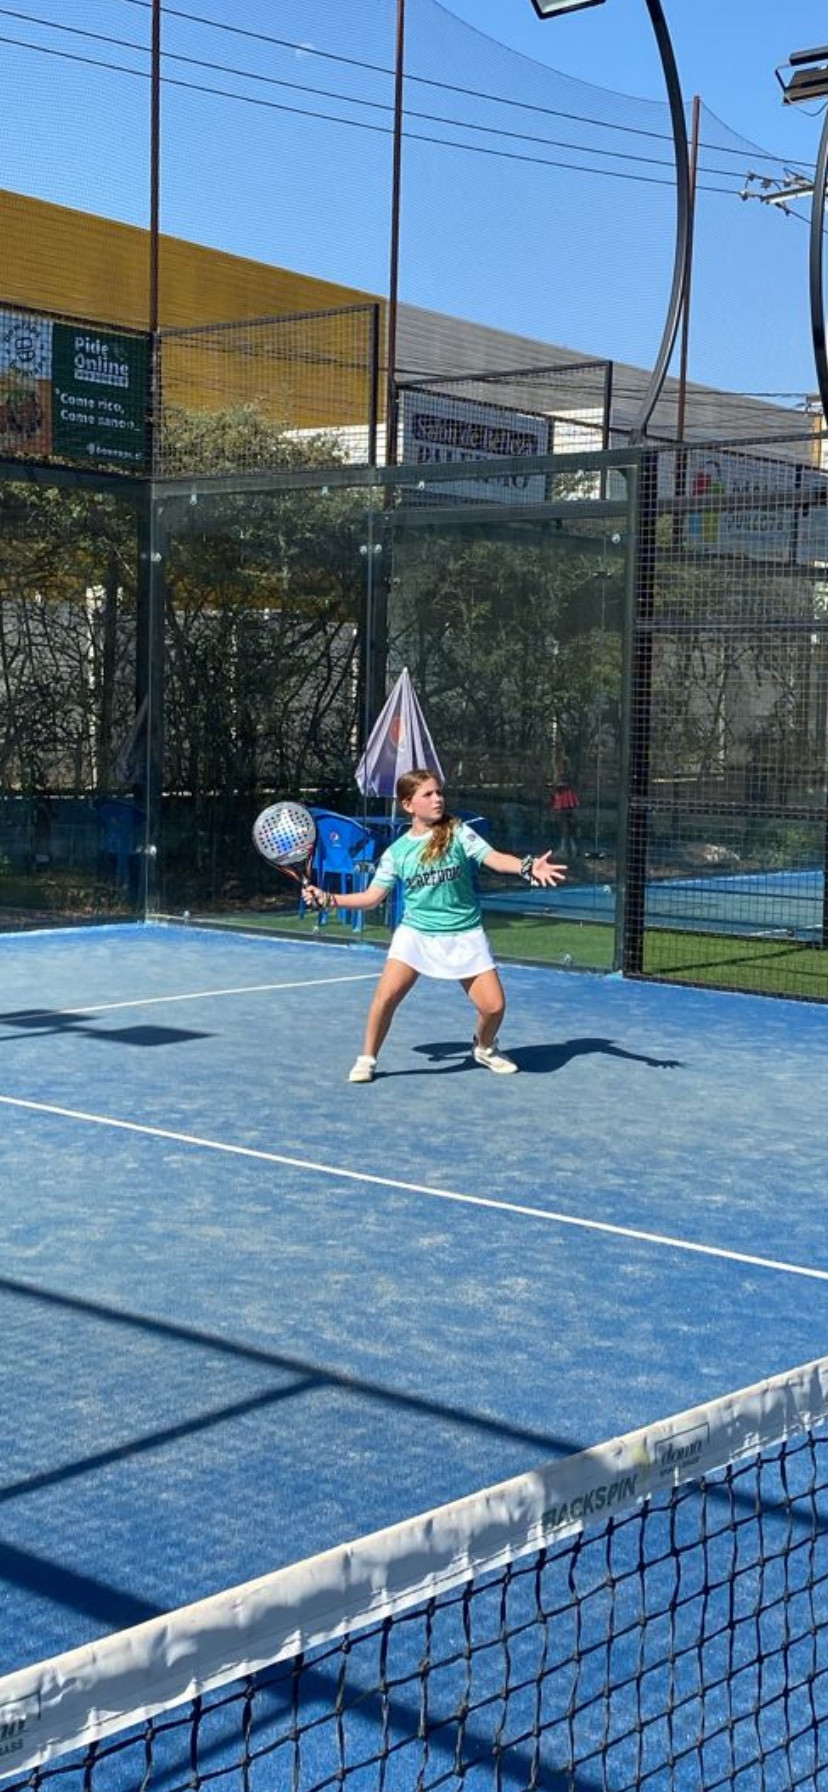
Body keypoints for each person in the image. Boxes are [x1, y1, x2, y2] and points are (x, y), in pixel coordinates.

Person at [303, 768, 566, 1083]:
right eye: (427, 794)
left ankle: (484, 1048)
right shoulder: (397, 853)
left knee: (494, 1007)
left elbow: (494, 858)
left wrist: (526, 866)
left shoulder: (458, 832)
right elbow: (372, 898)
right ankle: (367, 1058)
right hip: (416, 935)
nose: (437, 799)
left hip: (464, 933)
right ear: (408, 804)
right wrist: (330, 899)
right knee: (385, 998)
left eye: (439, 792)